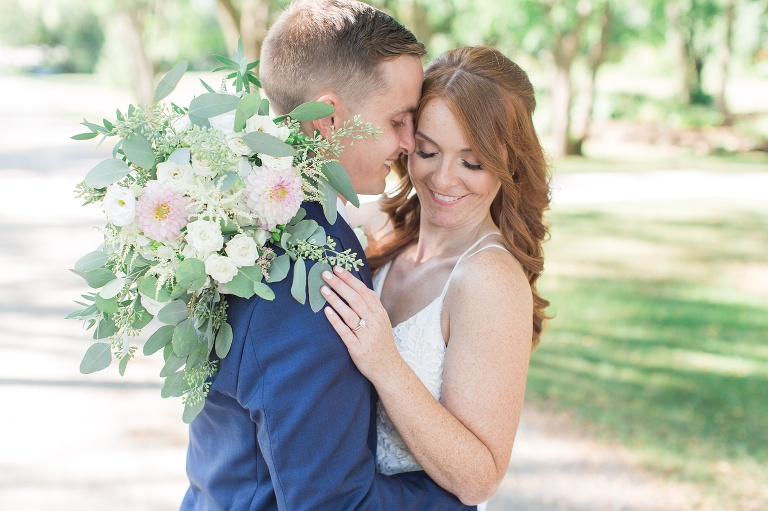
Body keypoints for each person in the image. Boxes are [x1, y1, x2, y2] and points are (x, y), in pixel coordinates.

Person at [182, 1, 474, 509]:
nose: (409, 143)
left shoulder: (241, 221)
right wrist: (458, 501)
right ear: (328, 117)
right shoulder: (310, 266)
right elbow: (333, 502)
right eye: (398, 120)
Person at [321, 45, 551, 507]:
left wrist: (386, 364)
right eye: (428, 151)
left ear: (510, 165)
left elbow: (478, 479)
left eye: (472, 162)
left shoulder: (487, 280)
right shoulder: (385, 237)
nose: (444, 180)